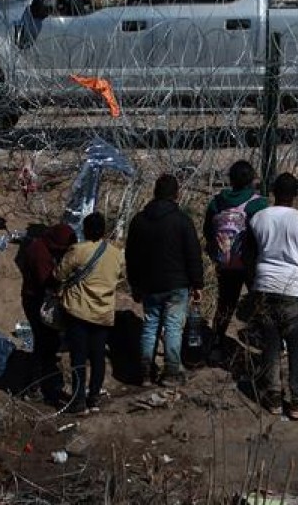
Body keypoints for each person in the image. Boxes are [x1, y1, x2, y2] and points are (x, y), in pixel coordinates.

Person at [248, 172, 298, 420]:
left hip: (265, 285)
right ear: (296, 194)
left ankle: (273, 397)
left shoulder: (258, 218)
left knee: (270, 345)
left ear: (273, 192)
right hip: (295, 288)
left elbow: (250, 252)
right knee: (297, 347)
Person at [126, 174, 204, 387]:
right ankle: (171, 371)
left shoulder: (139, 221)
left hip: (150, 284)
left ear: (155, 192)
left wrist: (135, 284)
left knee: (150, 324)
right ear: (176, 194)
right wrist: (197, 283)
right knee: (172, 326)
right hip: (177, 284)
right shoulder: (182, 220)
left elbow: (131, 256)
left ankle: (144, 371)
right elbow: (193, 254)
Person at [56, 212, 123, 414]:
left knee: (78, 357)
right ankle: (94, 396)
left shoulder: (78, 250)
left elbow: (59, 273)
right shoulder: (115, 253)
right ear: (103, 230)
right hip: (103, 313)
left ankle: (78, 401)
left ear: (85, 230)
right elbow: (120, 276)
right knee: (98, 356)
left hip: (79, 311)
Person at [203, 160, 268, 359]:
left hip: (226, 261)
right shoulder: (257, 203)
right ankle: (265, 340)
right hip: (249, 261)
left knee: (225, 303)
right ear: (251, 179)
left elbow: (207, 230)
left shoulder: (217, 202)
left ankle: (216, 342)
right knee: (259, 301)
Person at [15, 222, 77, 406]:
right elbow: (48, 281)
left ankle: (42, 378)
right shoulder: (41, 254)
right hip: (36, 300)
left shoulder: (40, 245)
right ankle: (35, 385)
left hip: (36, 297)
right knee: (43, 343)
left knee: (47, 341)